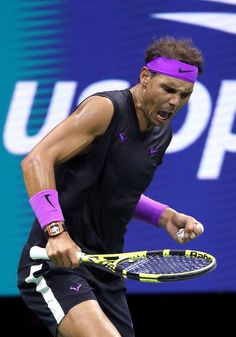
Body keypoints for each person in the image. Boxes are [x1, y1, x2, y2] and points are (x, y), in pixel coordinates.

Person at [17, 35, 205, 337]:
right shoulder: (106, 109)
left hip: (106, 268)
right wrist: (56, 231)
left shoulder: (161, 134)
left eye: (185, 94)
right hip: (55, 262)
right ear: (145, 77)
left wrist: (166, 216)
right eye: (168, 89)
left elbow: (117, 193)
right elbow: (36, 160)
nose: (175, 101)